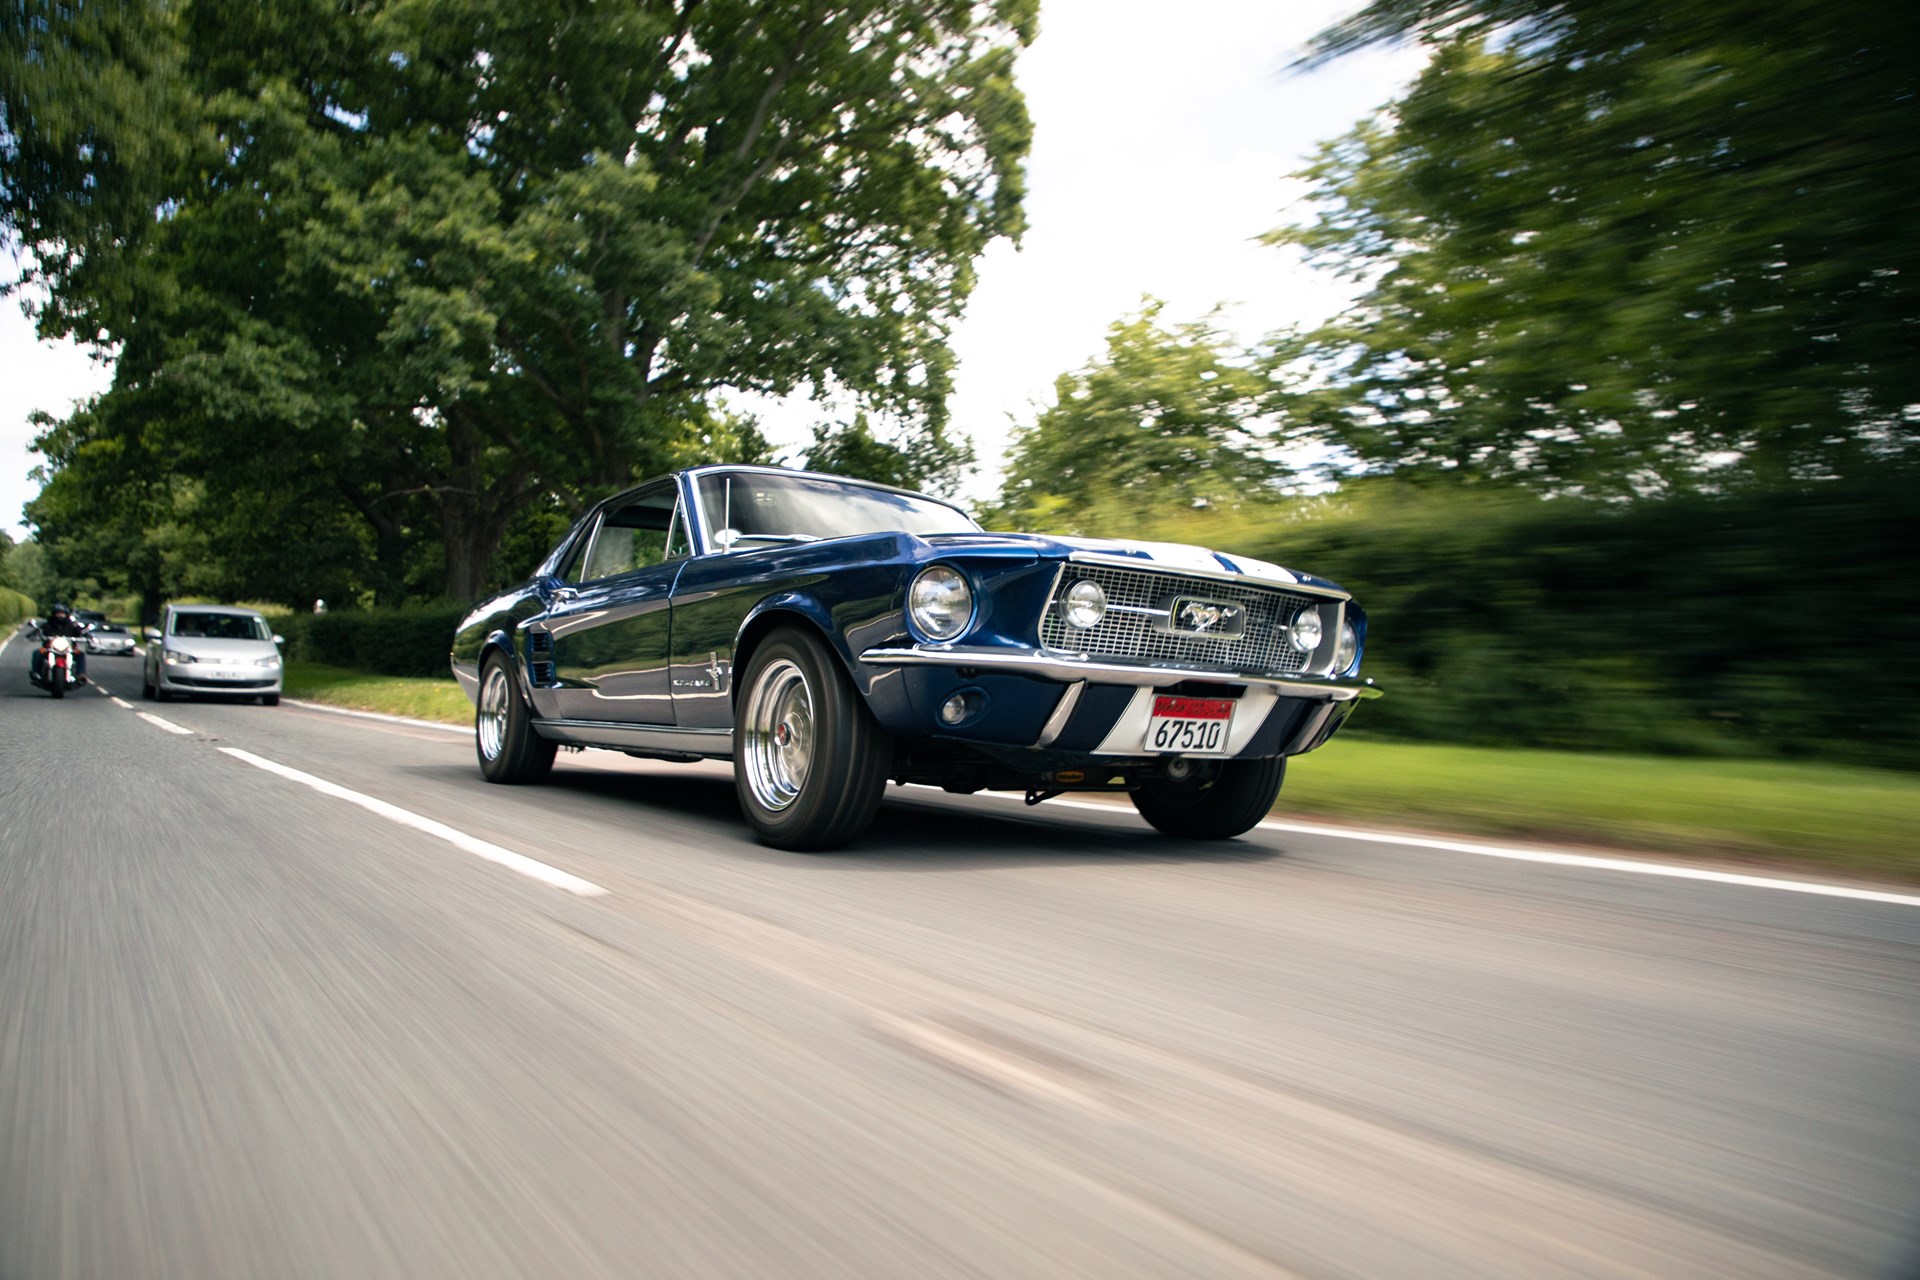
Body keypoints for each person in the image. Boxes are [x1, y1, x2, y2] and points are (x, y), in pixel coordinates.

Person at [32, 603, 90, 685]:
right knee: (37, 652)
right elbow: (39, 630)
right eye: (58, 613)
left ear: (66, 614)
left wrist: (87, 635)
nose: (60, 615)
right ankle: (36, 673)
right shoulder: (48, 624)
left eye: (62, 613)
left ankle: (80, 674)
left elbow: (80, 632)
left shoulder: (71, 625)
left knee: (80, 654)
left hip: (69, 649)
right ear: (54, 614)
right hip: (48, 649)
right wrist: (34, 634)